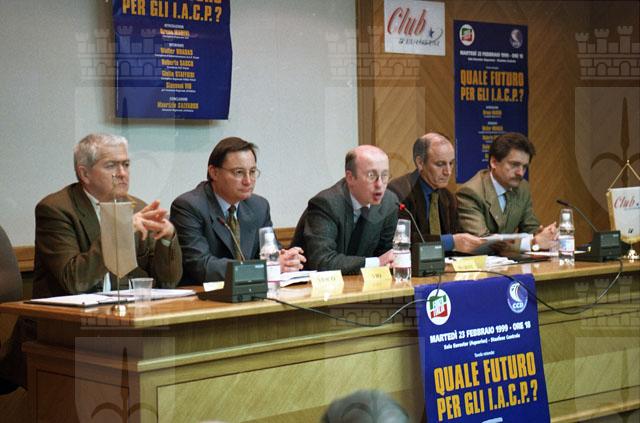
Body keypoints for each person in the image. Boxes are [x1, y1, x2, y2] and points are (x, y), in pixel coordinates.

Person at [32, 133, 182, 298]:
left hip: (130, 309)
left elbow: (168, 283)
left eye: (126, 164)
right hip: (69, 312)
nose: (122, 173)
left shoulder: (138, 208)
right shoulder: (56, 210)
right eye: (111, 166)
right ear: (85, 174)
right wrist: (120, 231)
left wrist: (167, 238)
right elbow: (75, 281)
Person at [170, 137, 305, 283]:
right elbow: (202, 266)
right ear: (214, 172)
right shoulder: (189, 206)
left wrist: (287, 259)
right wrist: (264, 268)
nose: (248, 181)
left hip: (250, 292)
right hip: (202, 294)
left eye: (252, 172)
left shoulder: (259, 206)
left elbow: (271, 252)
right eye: (239, 172)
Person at [291, 145, 398, 274]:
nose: (380, 184)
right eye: (371, 175)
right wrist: (376, 262)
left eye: (385, 175)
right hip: (313, 284)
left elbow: (387, 254)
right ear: (350, 177)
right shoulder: (326, 204)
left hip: (362, 282)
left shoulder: (389, 203)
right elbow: (323, 262)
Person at [456, 132, 557, 251]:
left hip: (508, 260)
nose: (520, 173)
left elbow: (530, 227)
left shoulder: (522, 187)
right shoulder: (470, 192)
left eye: (524, 167)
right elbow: (481, 241)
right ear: (494, 162)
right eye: (514, 165)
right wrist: (532, 243)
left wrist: (546, 235)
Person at [388, 132, 486, 254]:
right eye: (440, 164)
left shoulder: (448, 197)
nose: (448, 172)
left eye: (451, 163)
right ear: (420, 163)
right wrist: (450, 242)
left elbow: (458, 237)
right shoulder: (399, 192)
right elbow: (402, 241)